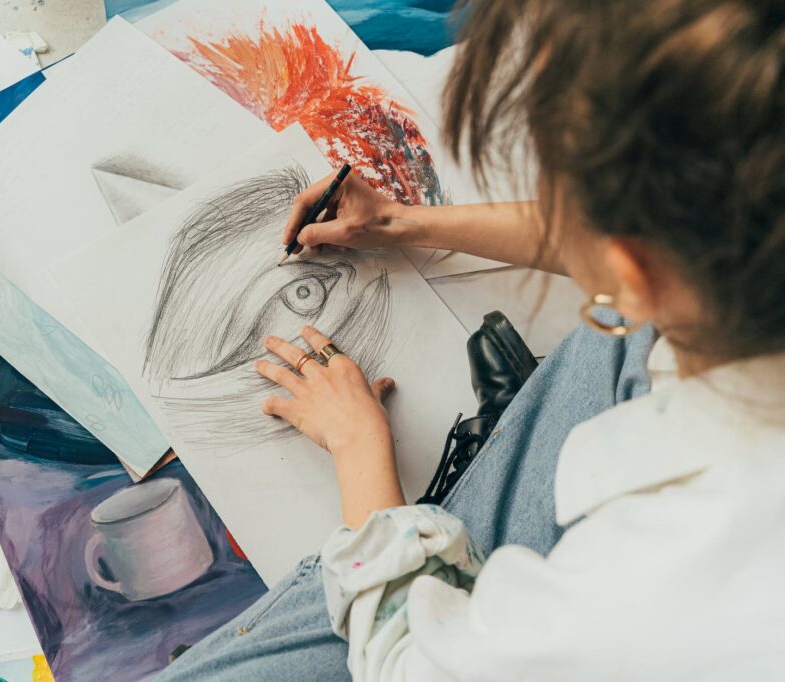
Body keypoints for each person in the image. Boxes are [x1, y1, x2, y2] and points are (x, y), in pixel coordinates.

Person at [156, 0, 785, 679]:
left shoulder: (637, 592)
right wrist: (403, 223)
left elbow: (407, 662)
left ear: (632, 272)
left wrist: (359, 448)